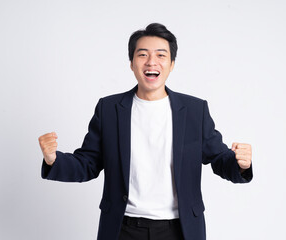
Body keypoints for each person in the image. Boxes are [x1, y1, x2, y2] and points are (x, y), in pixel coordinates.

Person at [39, 23, 253, 240]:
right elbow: (88, 163)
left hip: (180, 230)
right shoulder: (109, 109)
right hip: (123, 228)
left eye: (161, 55)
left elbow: (218, 157)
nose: (152, 62)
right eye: (143, 55)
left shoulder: (194, 111)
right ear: (132, 63)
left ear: (171, 64)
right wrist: (53, 160)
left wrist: (240, 165)